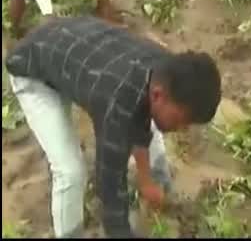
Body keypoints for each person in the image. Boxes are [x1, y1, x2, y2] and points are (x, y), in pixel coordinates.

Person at [4, 16, 222, 238]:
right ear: (158, 95)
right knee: (70, 172)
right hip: (34, 68)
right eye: (182, 120)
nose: (183, 129)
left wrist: (145, 180)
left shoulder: (167, 69)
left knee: (152, 127)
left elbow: (142, 118)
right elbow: (111, 194)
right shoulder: (116, 106)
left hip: (75, 43)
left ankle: (159, 187)